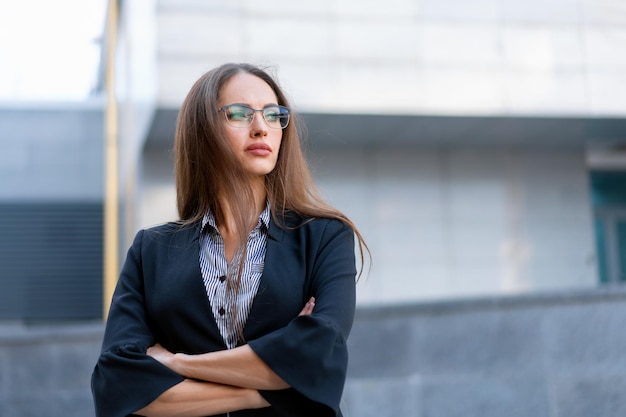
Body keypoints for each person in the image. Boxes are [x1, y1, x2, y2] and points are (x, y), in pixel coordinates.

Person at [91, 62, 369, 417]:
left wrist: (177, 363)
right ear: (203, 128)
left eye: (273, 114)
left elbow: (321, 351)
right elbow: (115, 384)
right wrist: (282, 386)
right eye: (239, 114)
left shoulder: (325, 236)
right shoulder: (151, 250)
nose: (260, 128)